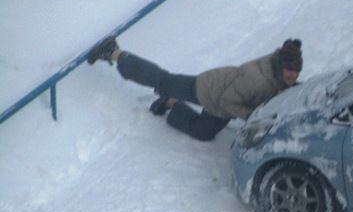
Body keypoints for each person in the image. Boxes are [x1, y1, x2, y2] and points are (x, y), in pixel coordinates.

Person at [87, 36, 303, 141]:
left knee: (203, 133)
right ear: (280, 67)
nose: (292, 75)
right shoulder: (256, 80)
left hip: (224, 102)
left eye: (296, 71)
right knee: (162, 80)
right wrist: (253, 115)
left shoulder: (279, 76)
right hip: (208, 89)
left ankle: (170, 103)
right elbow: (228, 102)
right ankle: (115, 53)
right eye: (289, 70)